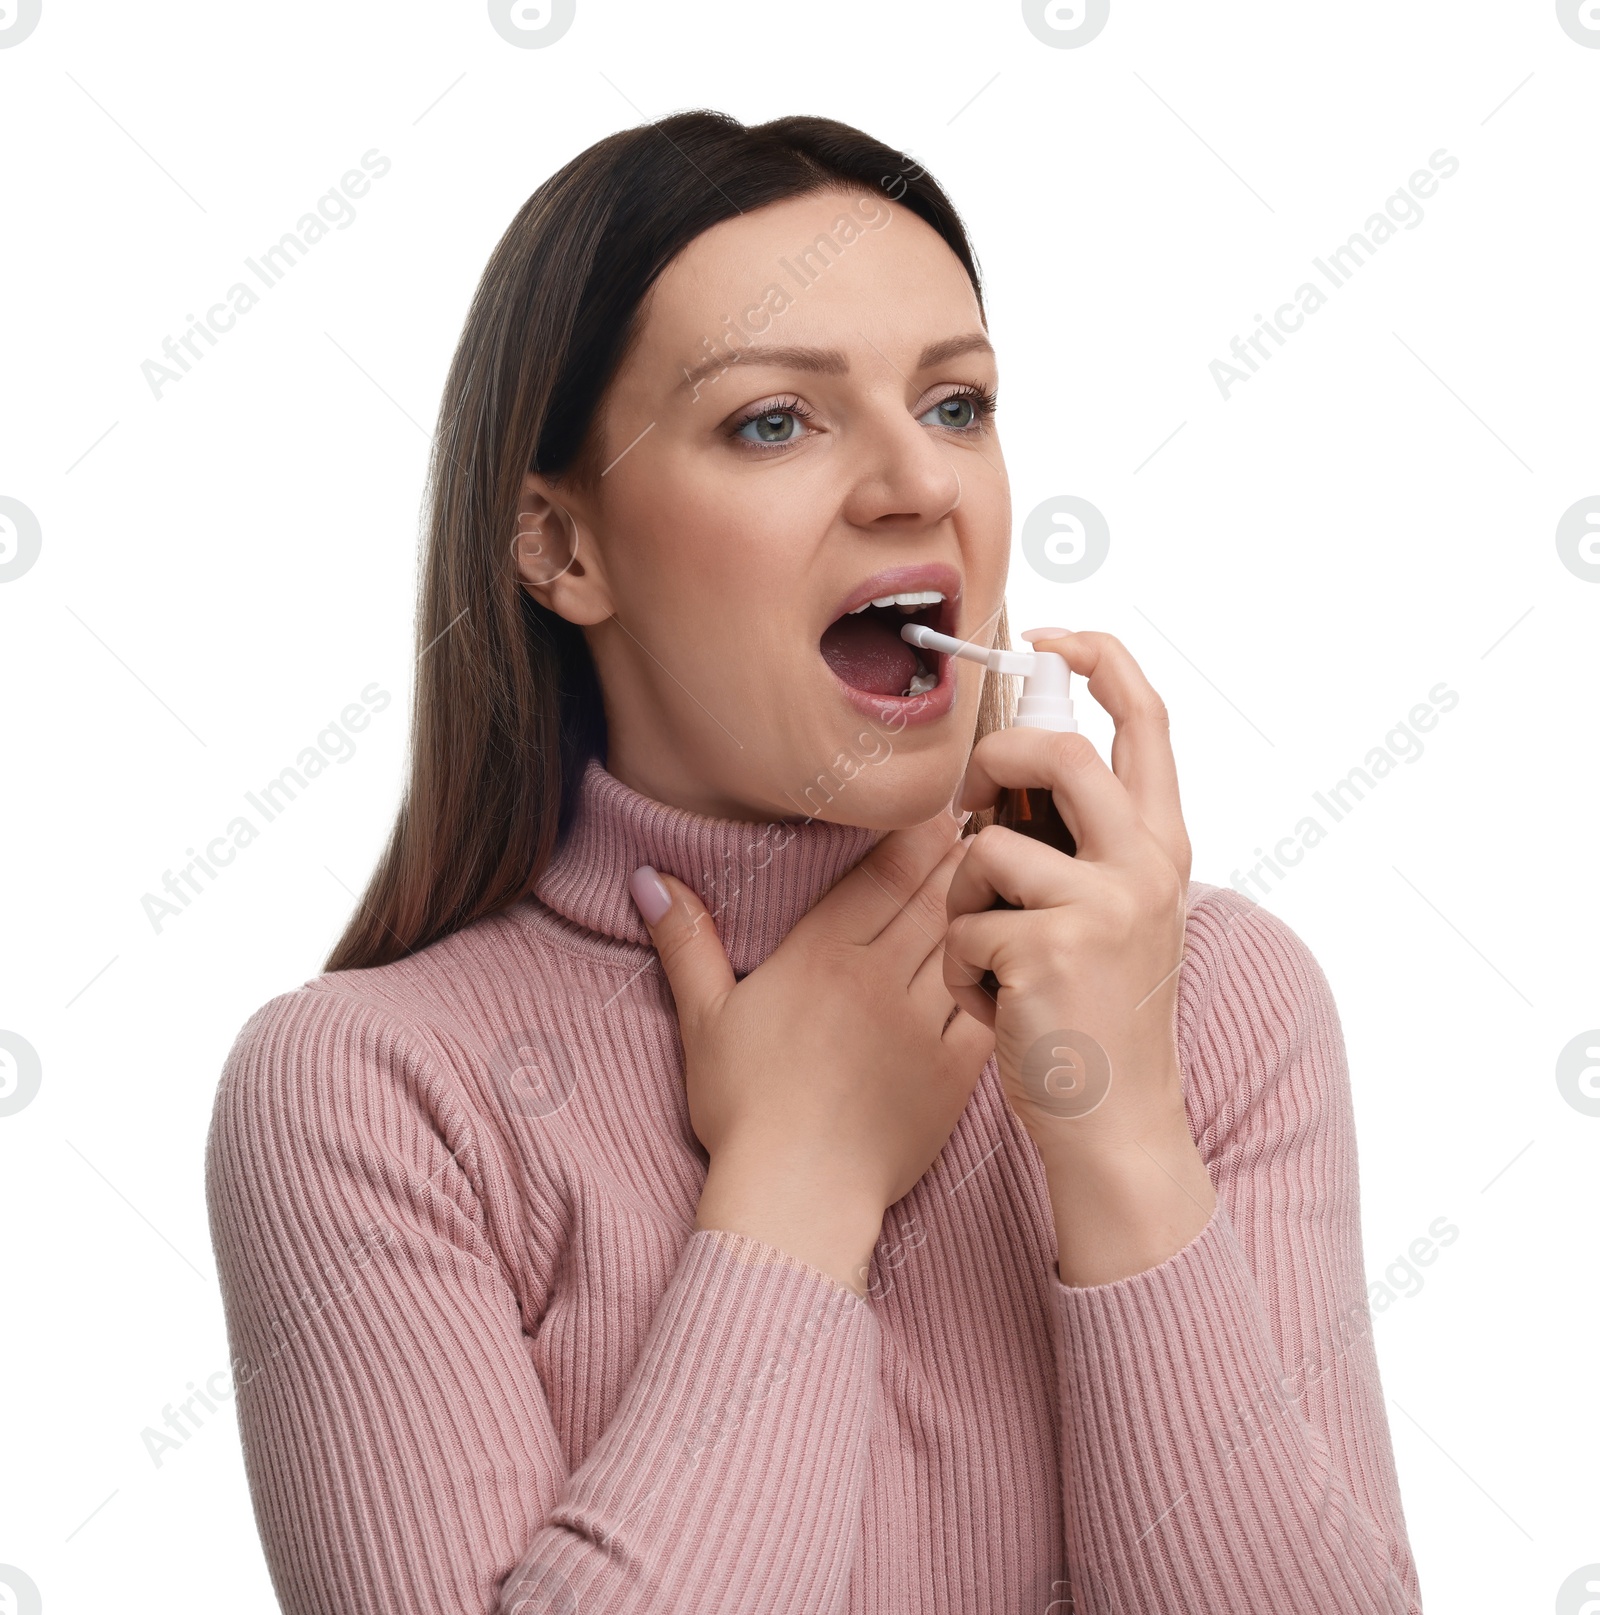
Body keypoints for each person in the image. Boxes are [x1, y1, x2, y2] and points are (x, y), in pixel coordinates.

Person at [205, 109, 1423, 1614]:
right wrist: (804, 1175)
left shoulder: (1211, 999)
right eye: (774, 420)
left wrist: (1119, 1134)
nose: (921, 483)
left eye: (959, 404)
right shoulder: (373, 1094)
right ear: (559, 548)